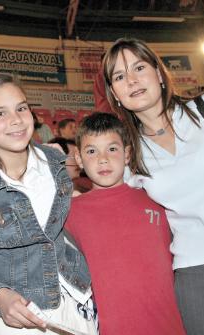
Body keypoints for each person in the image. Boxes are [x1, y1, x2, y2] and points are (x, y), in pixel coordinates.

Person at [102, 37, 204, 335]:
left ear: (159, 74)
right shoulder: (129, 153)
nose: (132, 80)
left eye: (139, 68)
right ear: (115, 94)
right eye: (120, 77)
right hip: (198, 279)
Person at [0, 73, 97, 335]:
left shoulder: (58, 164)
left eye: (21, 108)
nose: (15, 120)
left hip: (81, 305)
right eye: (0, 113)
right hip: (20, 319)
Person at [65, 112, 185, 334]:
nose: (103, 159)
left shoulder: (156, 200)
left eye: (112, 149)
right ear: (79, 159)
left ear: (127, 153)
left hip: (170, 326)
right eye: (92, 151)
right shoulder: (69, 215)